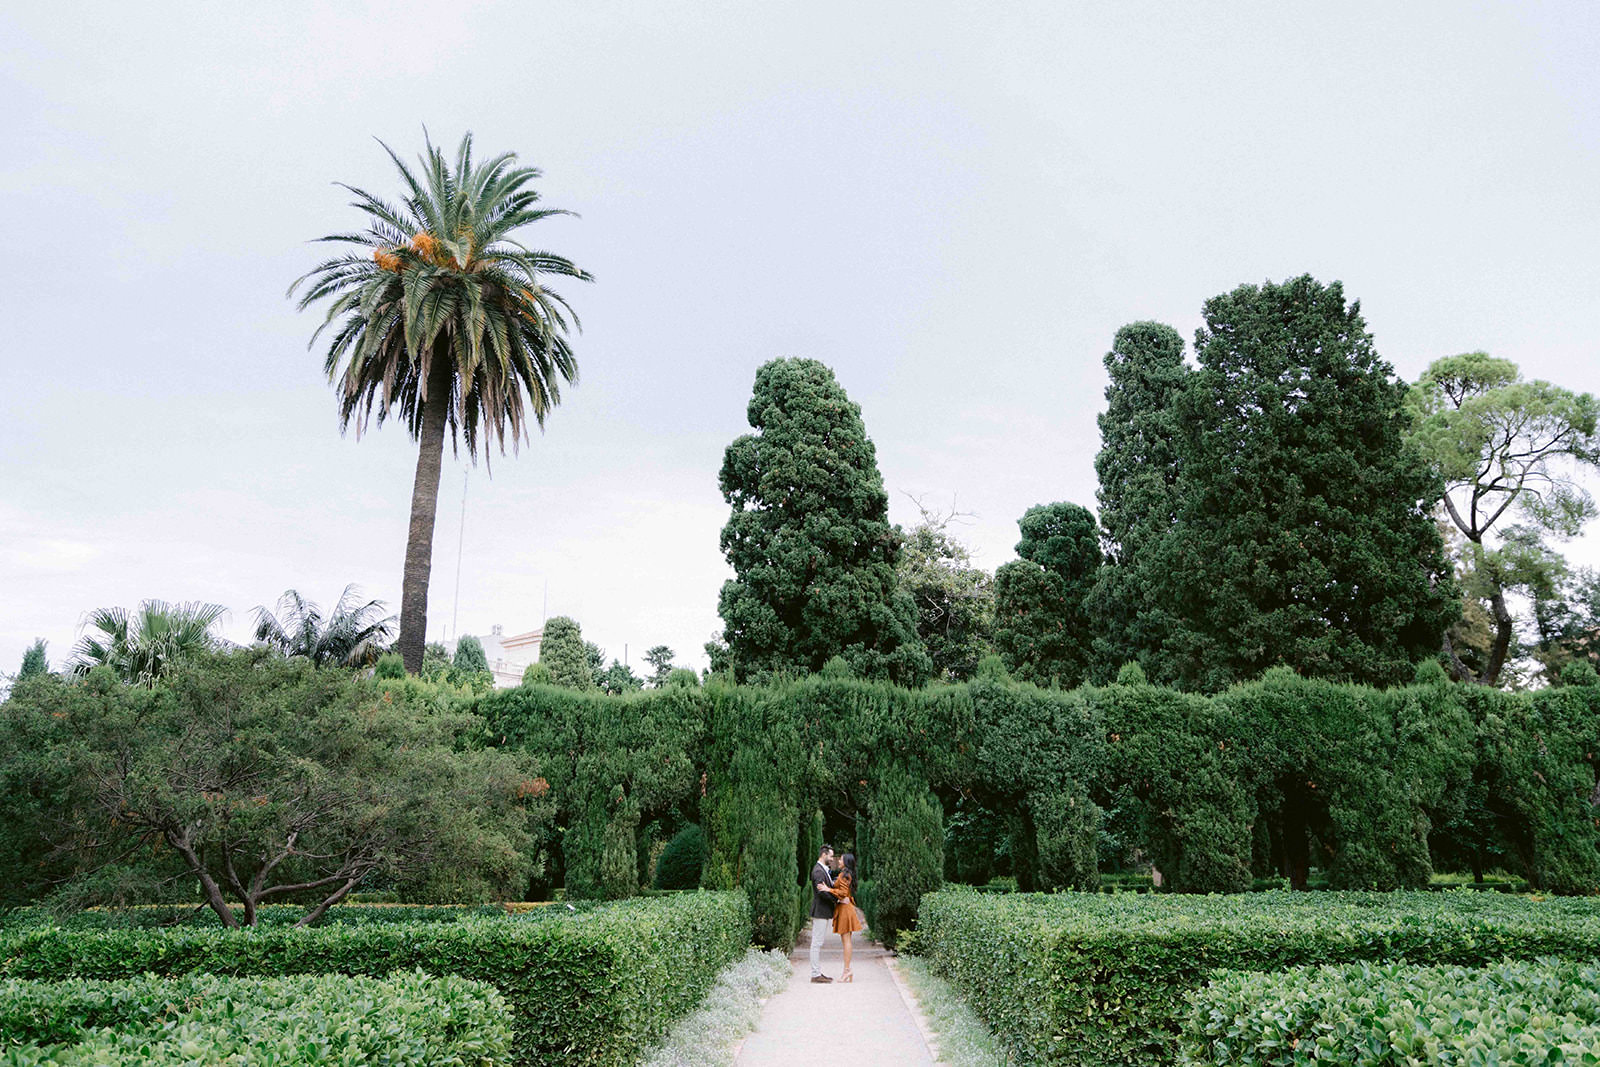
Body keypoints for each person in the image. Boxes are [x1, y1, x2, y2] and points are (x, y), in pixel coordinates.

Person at [828, 852, 863, 983]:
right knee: (847, 941)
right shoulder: (847, 874)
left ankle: (847, 970)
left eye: (841, 859)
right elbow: (845, 892)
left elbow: (842, 893)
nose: (839, 861)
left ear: (846, 862)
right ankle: (847, 970)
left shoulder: (844, 874)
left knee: (846, 941)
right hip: (846, 908)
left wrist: (828, 889)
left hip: (845, 910)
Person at [808, 844, 836, 983]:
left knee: (818, 942)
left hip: (823, 911)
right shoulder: (818, 871)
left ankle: (817, 972)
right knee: (816, 943)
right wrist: (836, 899)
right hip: (820, 911)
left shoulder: (823, 869)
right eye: (831, 856)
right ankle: (815, 974)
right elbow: (822, 892)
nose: (832, 859)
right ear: (824, 855)